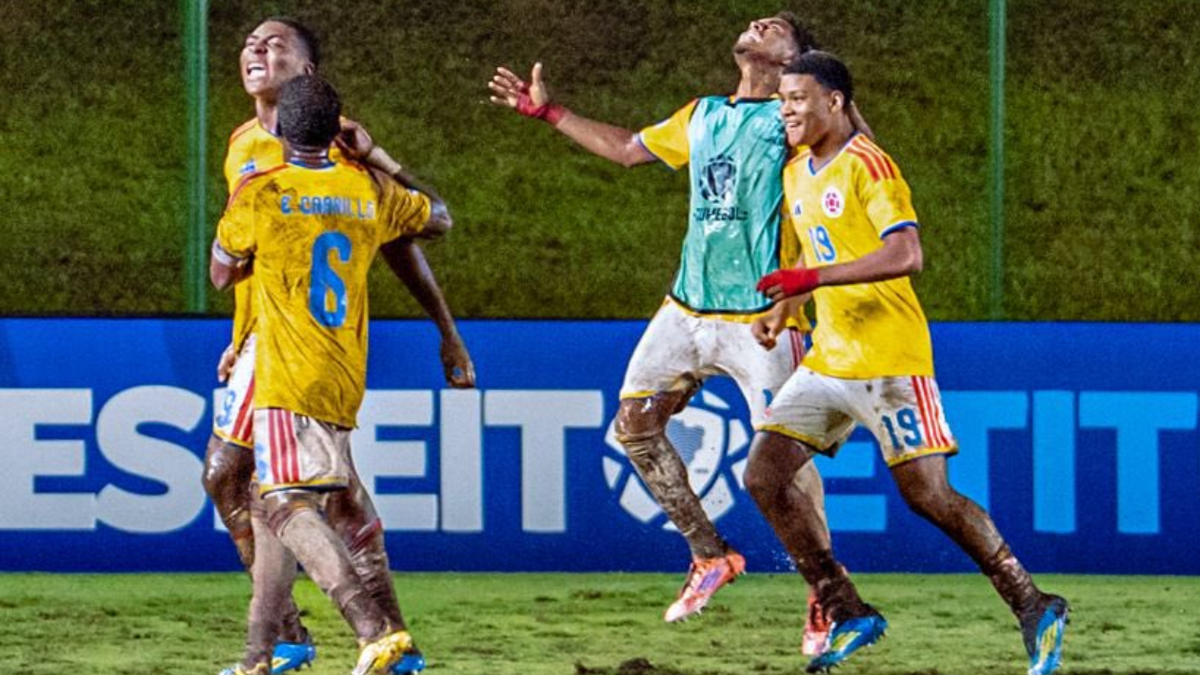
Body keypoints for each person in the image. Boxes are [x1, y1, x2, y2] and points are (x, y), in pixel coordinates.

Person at [488, 13, 856, 648]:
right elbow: (628, 149)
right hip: (686, 308)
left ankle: (824, 591)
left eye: (774, 27)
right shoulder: (703, 113)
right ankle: (709, 553)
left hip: (762, 315)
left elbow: (853, 149)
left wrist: (828, 93)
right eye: (756, 21)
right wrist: (548, 113)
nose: (757, 22)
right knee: (633, 426)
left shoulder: (794, 122)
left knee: (785, 463)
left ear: (796, 62)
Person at [745, 51, 1069, 674]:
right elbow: (820, 253)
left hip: (890, 360)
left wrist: (811, 279)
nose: (785, 109)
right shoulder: (796, 173)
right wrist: (787, 306)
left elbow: (905, 254)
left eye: (797, 98)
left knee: (928, 497)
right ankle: (846, 609)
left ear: (835, 102)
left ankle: (1033, 603)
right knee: (764, 475)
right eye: (782, 99)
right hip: (830, 360)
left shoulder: (870, 164)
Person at [205, 17, 471, 674]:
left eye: (275, 44)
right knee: (262, 484)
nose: (256, 49)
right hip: (267, 340)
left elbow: (401, 245)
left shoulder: (342, 149)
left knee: (274, 488)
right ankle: (283, 644)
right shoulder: (241, 145)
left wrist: (447, 332)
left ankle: (361, 633)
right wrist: (239, 336)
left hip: (298, 348)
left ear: (307, 72)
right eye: (250, 42)